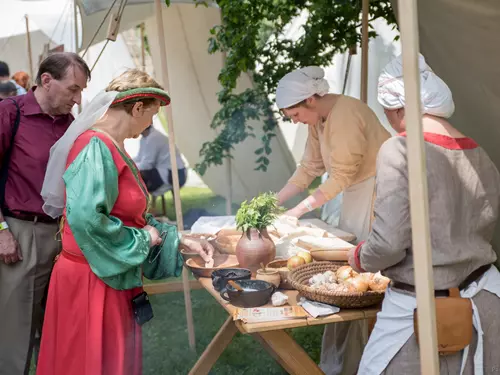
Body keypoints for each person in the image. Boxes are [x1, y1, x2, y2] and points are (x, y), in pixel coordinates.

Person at [36, 69, 214, 375]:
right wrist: (145, 239)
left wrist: (176, 238)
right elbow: (86, 219)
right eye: (152, 114)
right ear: (137, 108)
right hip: (92, 282)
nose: (151, 123)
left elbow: (129, 216)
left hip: (108, 273)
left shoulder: (111, 145)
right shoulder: (96, 146)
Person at [348, 54, 500, 374]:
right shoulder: (480, 153)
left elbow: (389, 243)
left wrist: (360, 258)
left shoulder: (400, 149)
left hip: (422, 311)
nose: (390, 120)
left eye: (388, 113)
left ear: (401, 109)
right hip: (486, 297)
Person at [275, 66, 390, 375]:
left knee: (364, 274)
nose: (295, 121)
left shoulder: (348, 113)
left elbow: (341, 175)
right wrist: (274, 202)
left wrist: (298, 212)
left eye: (295, 115)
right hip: (357, 190)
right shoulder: (318, 120)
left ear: (311, 100)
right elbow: (309, 167)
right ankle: (338, 361)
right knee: (348, 269)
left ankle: (362, 360)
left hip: (380, 192)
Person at [0, 52, 90, 375]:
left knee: (60, 331)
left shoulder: (73, 126)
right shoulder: (10, 113)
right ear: (47, 80)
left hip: (65, 238)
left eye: (81, 92)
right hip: (20, 236)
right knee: (16, 337)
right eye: (73, 89)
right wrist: (1, 231)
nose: (78, 99)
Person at [134, 124, 187, 196]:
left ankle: (141, 202)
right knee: (136, 176)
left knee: (138, 178)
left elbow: (147, 164)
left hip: (175, 174)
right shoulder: (144, 139)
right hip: (164, 171)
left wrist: (130, 168)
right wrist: (126, 162)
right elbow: (139, 158)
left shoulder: (153, 138)